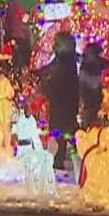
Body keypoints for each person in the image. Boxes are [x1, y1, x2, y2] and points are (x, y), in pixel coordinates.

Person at [41, 32, 80, 167]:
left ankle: (60, 161)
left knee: (62, 133)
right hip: (64, 104)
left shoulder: (64, 63)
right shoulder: (66, 60)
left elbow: (56, 83)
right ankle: (65, 158)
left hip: (61, 104)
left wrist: (45, 88)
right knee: (66, 132)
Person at [79, 42, 106, 125]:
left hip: (90, 97)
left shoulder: (87, 66)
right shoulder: (97, 65)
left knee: (90, 113)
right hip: (92, 96)